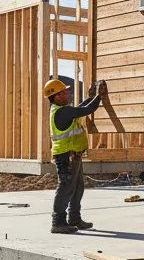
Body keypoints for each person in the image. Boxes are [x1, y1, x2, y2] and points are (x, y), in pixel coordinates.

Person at [43, 77, 104, 234]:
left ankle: (74, 218)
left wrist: (91, 98)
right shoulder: (61, 111)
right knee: (65, 188)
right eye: (65, 92)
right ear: (56, 96)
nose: (68, 93)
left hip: (73, 155)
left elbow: (78, 109)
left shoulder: (64, 110)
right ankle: (58, 222)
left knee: (77, 188)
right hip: (66, 156)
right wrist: (99, 97)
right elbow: (85, 110)